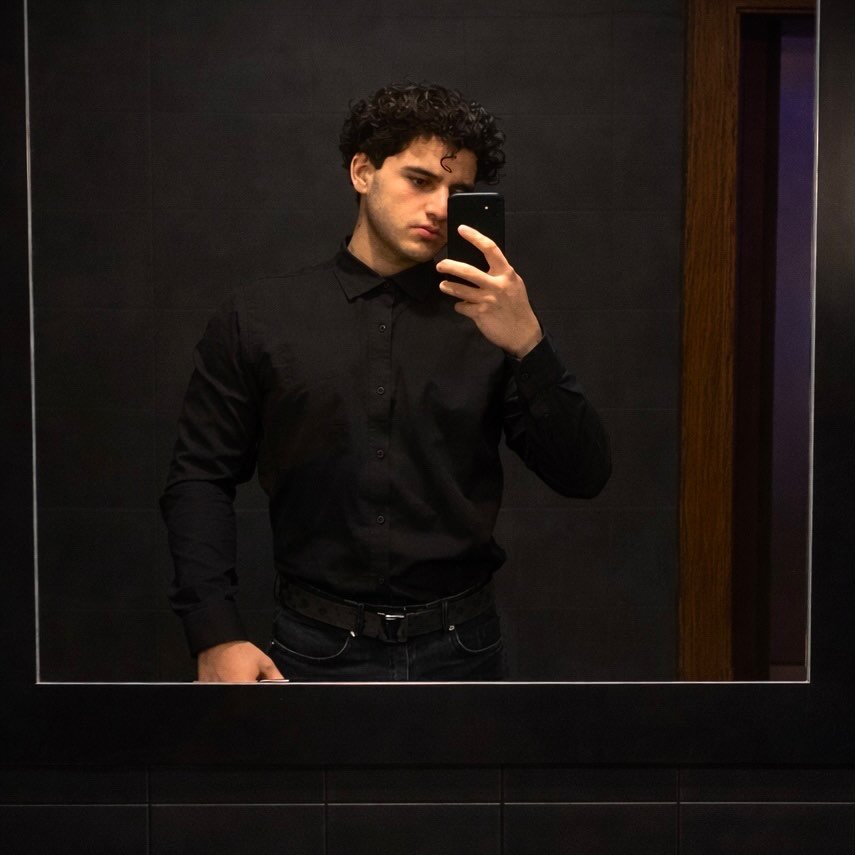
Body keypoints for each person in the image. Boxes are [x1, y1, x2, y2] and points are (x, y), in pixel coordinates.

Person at [160, 82, 611, 683]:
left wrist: (530, 345)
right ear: (363, 171)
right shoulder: (261, 317)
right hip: (311, 647)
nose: (440, 208)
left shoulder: (491, 320)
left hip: (462, 648)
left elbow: (583, 475)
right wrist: (215, 634)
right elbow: (200, 478)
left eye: (458, 193)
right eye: (420, 180)